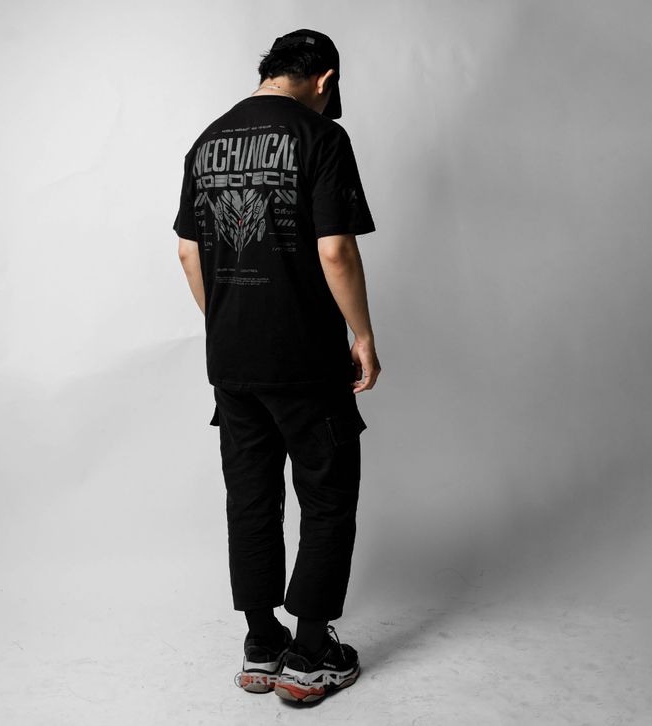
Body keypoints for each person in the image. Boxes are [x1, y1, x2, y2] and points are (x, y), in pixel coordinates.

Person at [174, 28, 381, 703]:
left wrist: (225, 321)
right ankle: (312, 654)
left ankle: (262, 644)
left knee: (251, 498)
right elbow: (335, 250)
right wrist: (362, 334)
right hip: (306, 358)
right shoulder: (322, 137)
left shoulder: (207, 141)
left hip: (231, 360)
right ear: (324, 80)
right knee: (327, 496)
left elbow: (187, 253)